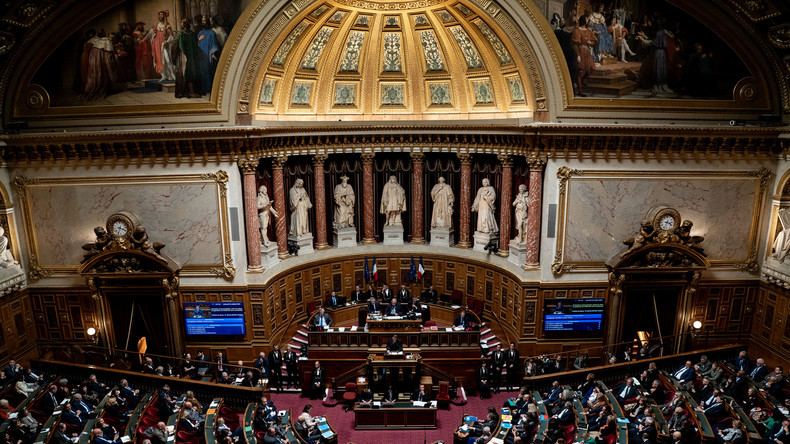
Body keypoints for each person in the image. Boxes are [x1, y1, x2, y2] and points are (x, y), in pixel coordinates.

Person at [175, 18, 201, 98]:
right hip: (192, 56)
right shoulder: (192, 33)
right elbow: (196, 45)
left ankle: (188, 92)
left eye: (181, 23)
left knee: (186, 73)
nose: (180, 24)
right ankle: (190, 91)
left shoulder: (182, 33)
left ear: (183, 24)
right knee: (191, 72)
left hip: (184, 56)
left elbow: (181, 45)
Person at [571, 16, 596, 96]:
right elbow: (574, 45)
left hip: (587, 52)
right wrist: (578, 55)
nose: (587, 20)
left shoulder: (589, 31)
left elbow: (594, 40)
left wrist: (590, 43)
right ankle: (580, 90)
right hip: (580, 51)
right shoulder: (577, 31)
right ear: (583, 20)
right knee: (580, 71)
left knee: (592, 68)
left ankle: (582, 79)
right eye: (586, 19)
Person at [196, 15, 218, 94]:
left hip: (208, 54)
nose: (203, 22)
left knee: (208, 72)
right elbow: (196, 44)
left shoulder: (212, 33)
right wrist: (199, 40)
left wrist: (213, 54)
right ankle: (203, 89)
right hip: (201, 55)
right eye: (202, 21)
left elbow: (214, 44)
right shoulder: (200, 33)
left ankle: (208, 89)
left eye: (204, 20)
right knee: (202, 72)